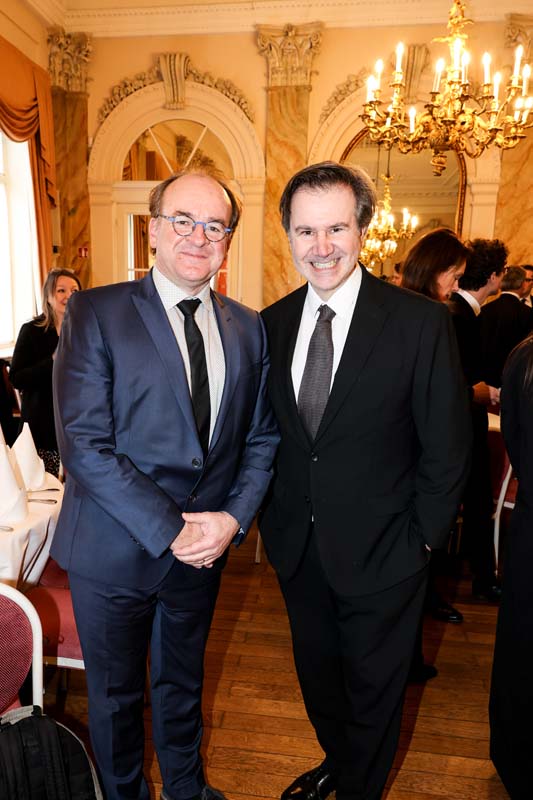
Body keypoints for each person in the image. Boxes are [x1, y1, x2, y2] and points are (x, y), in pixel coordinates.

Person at [51, 170, 279, 800]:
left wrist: (231, 520)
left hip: (203, 549)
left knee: (182, 686)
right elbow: (84, 444)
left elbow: (261, 439)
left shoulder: (249, 327)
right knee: (116, 698)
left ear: (228, 240)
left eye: (215, 226)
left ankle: (186, 788)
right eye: (183, 220)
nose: (198, 236)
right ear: (153, 230)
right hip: (114, 550)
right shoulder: (97, 312)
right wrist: (171, 529)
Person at [259, 162, 471, 800]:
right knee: (320, 682)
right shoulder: (270, 324)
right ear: (288, 236)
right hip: (299, 550)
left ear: (362, 229)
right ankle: (339, 761)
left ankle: (358, 788)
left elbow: (448, 446)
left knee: (376, 693)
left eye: (336, 229)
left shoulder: (420, 323)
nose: (321, 246)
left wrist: (423, 540)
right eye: (306, 231)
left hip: (388, 552)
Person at [449, 238, 506, 602]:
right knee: (478, 500)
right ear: (494, 276)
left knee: (475, 501)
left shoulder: (466, 313)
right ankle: (483, 580)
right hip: (460, 430)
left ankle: (480, 575)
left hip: (464, 427)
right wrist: (480, 393)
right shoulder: (457, 315)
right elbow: (454, 383)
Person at [489, 333, 533, 799]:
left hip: (527, 528)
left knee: (520, 643)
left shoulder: (522, 353)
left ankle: (513, 755)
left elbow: (515, 442)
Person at [9, 268, 81, 476]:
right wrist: (53, 361)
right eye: (61, 290)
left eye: (74, 291)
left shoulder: (85, 329)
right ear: (48, 296)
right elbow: (17, 378)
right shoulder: (31, 330)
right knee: (44, 486)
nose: (68, 296)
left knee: (75, 485)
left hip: (77, 423)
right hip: (42, 424)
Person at [479, 262, 533, 389]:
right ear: (521, 284)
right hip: (518, 381)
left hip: (487, 382)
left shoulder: (485, 310)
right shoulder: (528, 313)